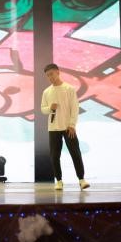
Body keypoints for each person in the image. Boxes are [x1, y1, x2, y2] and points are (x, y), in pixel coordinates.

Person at [41, 63, 90, 191]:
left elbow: (75, 108)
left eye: (51, 74)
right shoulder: (46, 92)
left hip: (68, 127)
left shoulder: (69, 89)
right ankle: (59, 181)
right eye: (48, 75)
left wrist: (72, 125)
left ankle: (81, 180)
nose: (50, 77)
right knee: (54, 156)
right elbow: (43, 109)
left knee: (75, 153)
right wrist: (50, 108)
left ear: (58, 72)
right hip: (53, 128)